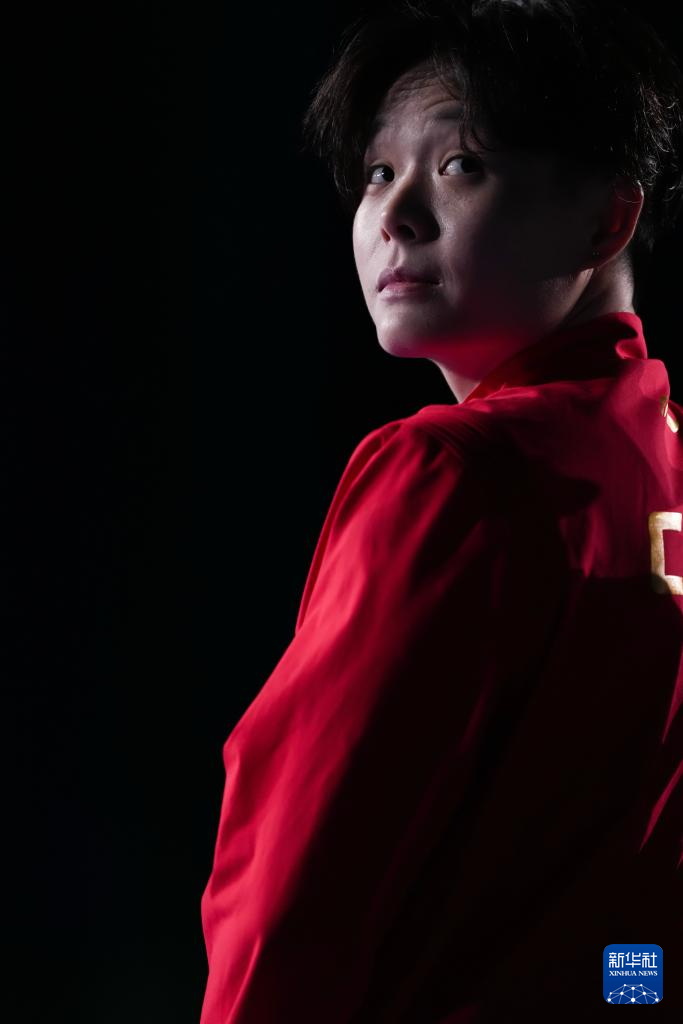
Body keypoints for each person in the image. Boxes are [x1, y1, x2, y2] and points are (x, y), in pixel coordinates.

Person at [200, 1, 683, 1019]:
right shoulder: (660, 457)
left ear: (607, 219)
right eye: (378, 173)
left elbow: (301, 869)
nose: (395, 215)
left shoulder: (451, 471)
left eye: (461, 164)